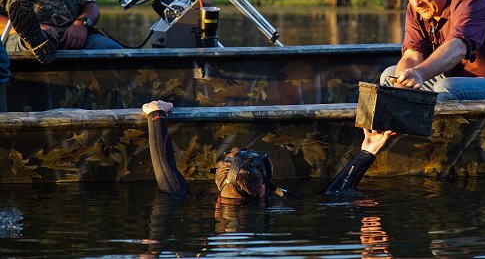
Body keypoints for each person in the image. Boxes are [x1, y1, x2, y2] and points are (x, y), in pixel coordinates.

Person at [142, 100, 395, 200]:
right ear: (263, 189)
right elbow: (334, 195)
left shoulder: (190, 201)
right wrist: (366, 152)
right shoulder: (279, 203)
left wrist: (156, 113)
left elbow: (166, 171)